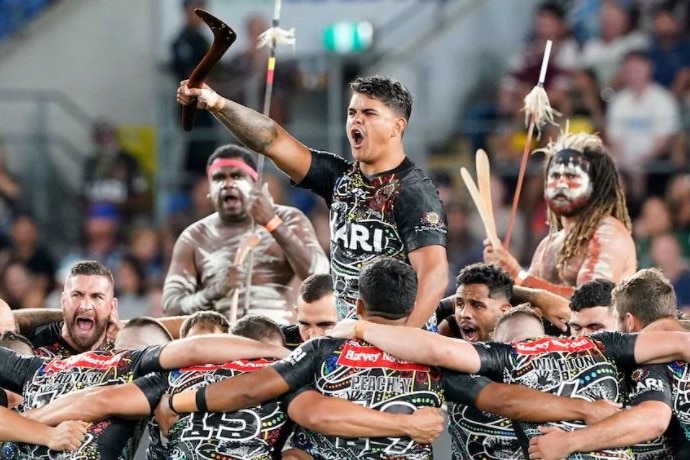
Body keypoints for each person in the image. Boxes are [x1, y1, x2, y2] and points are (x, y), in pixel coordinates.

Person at [159, 258, 621, 459]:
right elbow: (505, 400)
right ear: (411, 310)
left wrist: (183, 402)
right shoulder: (435, 362)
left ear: (356, 308)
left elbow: (251, 388)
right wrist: (582, 409)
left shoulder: (323, 349)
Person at [176, 74, 448, 328]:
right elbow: (271, 140)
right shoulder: (338, 178)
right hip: (349, 338)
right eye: (352, 113)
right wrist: (217, 103)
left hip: (397, 348)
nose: (356, 121)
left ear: (396, 127)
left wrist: (405, 338)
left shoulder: (414, 192)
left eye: (369, 113)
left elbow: (434, 275)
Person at [327, 294, 690, 458]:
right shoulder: (607, 345)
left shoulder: (502, 354)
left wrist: (361, 329)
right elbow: (680, 342)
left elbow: (435, 349)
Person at [1, 320, 289, 458]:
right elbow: (195, 348)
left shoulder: (39, 366)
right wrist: (281, 353)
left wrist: (23, 424)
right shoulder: (141, 367)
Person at [528, 268, 684, 459]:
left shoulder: (650, 357)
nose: (585, 339)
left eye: (596, 329)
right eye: (576, 328)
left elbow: (654, 419)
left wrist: (568, 442)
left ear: (626, 322)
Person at [162, 144, 328, 324]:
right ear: (209, 191)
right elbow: (171, 307)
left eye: (237, 176)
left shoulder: (289, 219)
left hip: (281, 337)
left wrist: (272, 224)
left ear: (255, 184)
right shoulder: (194, 236)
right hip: (222, 340)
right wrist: (215, 290)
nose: (228, 184)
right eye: (219, 178)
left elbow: (319, 275)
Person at [484, 132, 636, 304]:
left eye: (571, 176)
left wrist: (517, 274)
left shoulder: (608, 234)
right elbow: (528, 303)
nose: (561, 184)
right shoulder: (547, 245)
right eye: (555, 176)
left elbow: (592, 303)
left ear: (595, 185)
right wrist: (502, 277)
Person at [438, 263, 512, 341]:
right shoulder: (447, 332)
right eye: (460, 304)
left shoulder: (520, 346)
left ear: (505, 312)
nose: (464, 314)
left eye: (477, 306)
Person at [281, 273, 337, 348]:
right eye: (305, 324)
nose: (313, 337)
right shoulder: (279, 340)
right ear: (297, 313)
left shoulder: (356, 345)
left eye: (325, 325)